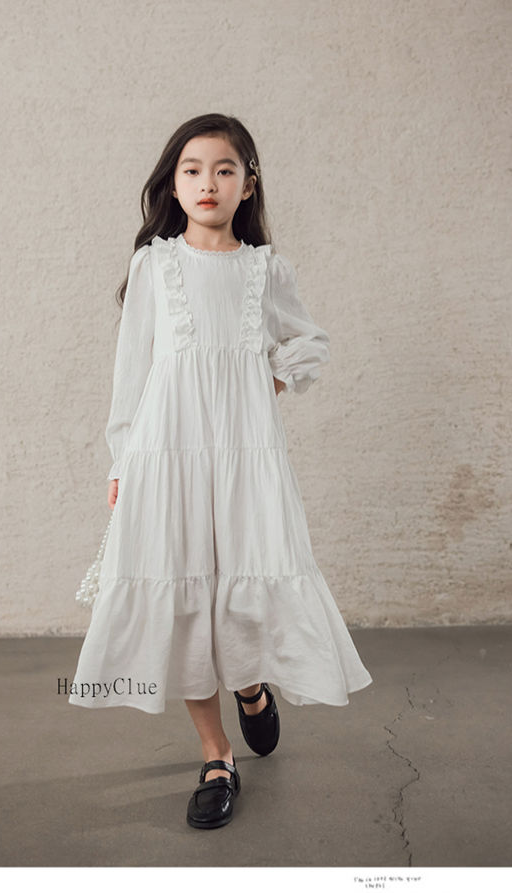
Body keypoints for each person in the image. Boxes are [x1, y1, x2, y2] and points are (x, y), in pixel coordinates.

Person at [69, 112, 373, 829]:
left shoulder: (266, 270)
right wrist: (122, 459)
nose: (208, 182)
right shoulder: (155, 267)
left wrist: (265, 383)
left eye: (224, 169)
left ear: (248, 183)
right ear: (173, 185)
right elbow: (131, 376)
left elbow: (309, 340)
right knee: (183, 597)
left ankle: (251, 686)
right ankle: (216, 754)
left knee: (244, 582)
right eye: (192, 170)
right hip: (165, 457)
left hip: (247, 460)